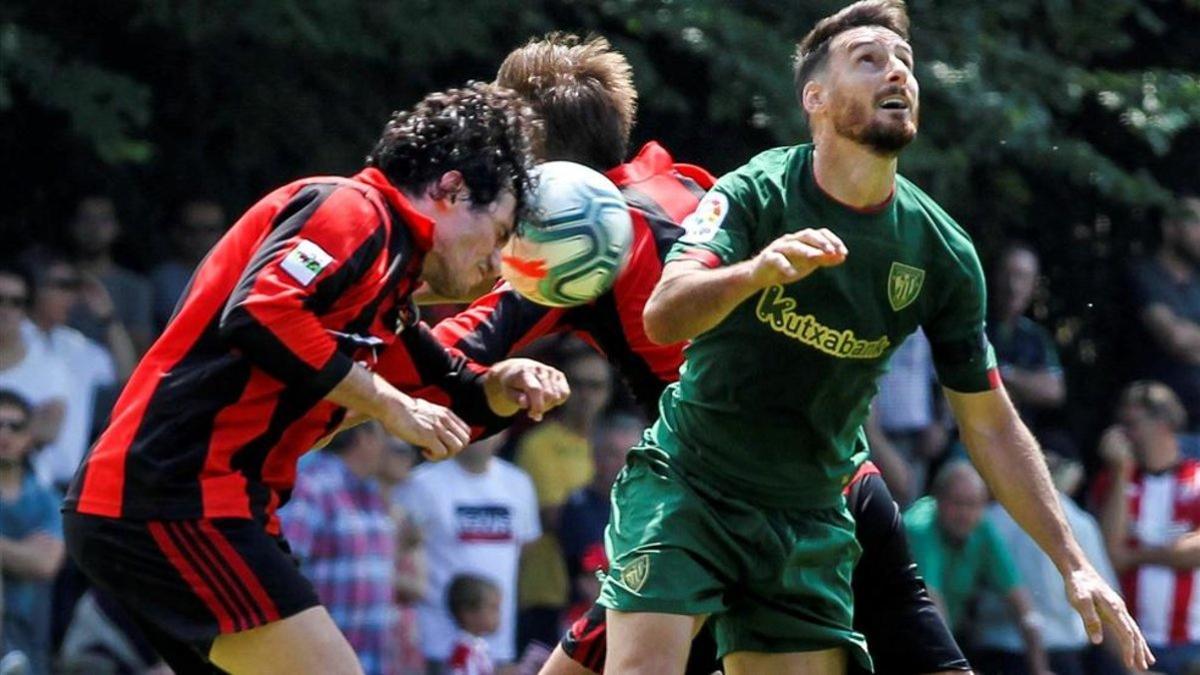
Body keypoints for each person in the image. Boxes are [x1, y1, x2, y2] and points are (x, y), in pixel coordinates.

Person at [602, 0, 1152, 671]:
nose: (897, 73)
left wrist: (1074, 562)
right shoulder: (757, 191)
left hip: (807, 516)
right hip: (692, 484)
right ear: (815, 97)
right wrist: (753, 274)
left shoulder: (941, 250)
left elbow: (989, 421)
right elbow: (664, 314)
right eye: (869, 60)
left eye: (905, 63)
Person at [429, 30, 961, 675]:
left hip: (735, 500)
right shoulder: (687, 183)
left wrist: (350, 372)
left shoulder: (581, 239)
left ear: (535, 167)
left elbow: (448, 351)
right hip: (838, 478)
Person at [62, 83, 570, 675]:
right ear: (451, 190)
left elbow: (447, 393)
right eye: (501, 234)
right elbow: (260, 312)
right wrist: (385, 402)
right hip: (172, 496)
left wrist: (501, 384)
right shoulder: (352, 210)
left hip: (203, 506)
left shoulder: (391, 285)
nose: (497, 261)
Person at [396, 433, 540, 670]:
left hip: (498, 645)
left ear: (505, 434)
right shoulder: (421, 483)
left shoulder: (519, 483)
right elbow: (402, 550)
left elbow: (526, 548)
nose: (481, 434)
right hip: (436, 644)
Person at [971, 452, 1120, 675]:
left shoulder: (989, 519)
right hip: (1056, 654)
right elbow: (1105, 602)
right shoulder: (1080, 523)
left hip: (999, 652)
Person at [903, 461, 1052, 675]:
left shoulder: (983, 529)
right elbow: (931, 606)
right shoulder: (919, 529)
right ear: (938, 500)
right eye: (957, 503)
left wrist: (1041, 669)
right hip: (899, 644)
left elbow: (1022, 606)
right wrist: (958, 668)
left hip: (939, 645)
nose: (965, 513)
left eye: (972, 504)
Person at [1096, 381, 1200, 675]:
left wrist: (1136, 556)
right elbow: (1109, 557)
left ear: (1163, 423)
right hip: (1131, 645)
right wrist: (1120, 472)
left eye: (1132, 424)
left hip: (1192, 645)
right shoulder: (1116, 481)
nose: (1123, 434)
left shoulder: (1196, 478)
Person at [279, 421, 397, 675]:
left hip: (368, 660)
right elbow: (281, 567)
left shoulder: (372, 493)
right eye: (383, 435)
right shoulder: (312, 487)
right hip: (319, 661)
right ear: (364, 438)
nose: (389, 446)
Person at [515, 349, 612, 649]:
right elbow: (553, 516)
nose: (586, 395)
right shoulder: (538, 444)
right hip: (548, 592)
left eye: (596, 386)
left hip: (599, 593)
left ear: (608, 392)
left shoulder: (611, 441)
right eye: (578, 384)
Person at [0, 390, 66, 675]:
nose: (5, 434)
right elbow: (35, 558)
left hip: (32, 644)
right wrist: (22, 550)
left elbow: (45, 563)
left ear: (29, 437)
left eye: (15, 426)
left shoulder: (47, 500)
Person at [1128, 194, 1200, 430]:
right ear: (1169, 227)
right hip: (1159, 423)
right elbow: (1174, 338)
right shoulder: (1145, 276)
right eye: (1195, 222)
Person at [65, 196, 155, 353]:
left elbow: (141, 350)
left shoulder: (135, 287)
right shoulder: (54, 282)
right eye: (86, 219)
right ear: (72, 226)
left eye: (103, 220)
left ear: (117, 227)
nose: (94, 227)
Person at [0, 265, 69, 452]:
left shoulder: (49, 367)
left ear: (26, 310)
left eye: (15, 302)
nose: (5, 310)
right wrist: (23, 424)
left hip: (29, 478)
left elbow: (49, 429)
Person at [151, 199, 227, 332]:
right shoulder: (162, 280)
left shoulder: (240, 275)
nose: (201, 238)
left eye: (210, 230)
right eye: (192, 230)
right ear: (176, 233)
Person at [446, 574, 502, 675]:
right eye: (493, 608)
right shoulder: (464, 652)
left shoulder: (479, 647)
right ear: (468, 614)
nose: (499, 615)